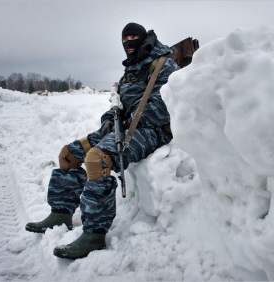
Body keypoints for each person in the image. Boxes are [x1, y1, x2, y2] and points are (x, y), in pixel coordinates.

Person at [25, 22, 179, 260]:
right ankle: (60, 214)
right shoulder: (129, 71)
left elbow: (165, 107)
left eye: (133, 37)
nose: (128, 42)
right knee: (69, 154)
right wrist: (109, 119)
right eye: (124, 39)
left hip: (152, 131)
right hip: (124, 127)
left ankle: (94, 235)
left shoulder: (162, 64)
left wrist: (128, 120)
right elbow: (117, 104)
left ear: (143, 38)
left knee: (98, 159)